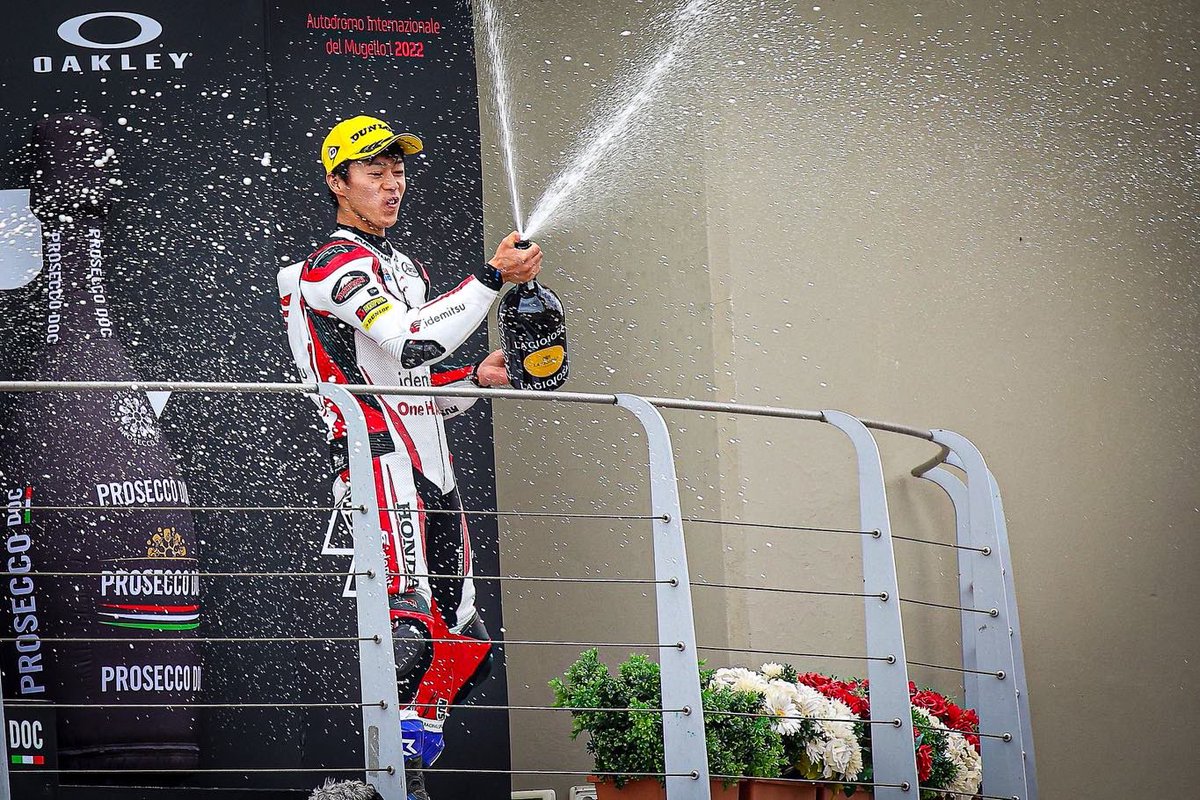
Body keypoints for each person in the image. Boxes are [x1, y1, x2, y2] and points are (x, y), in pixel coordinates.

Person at [278, 115, 542, 800]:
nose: (392, 184)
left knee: (468, 646)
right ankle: (392, 781)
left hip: (433, 465)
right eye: (374, 172)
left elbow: (418, 381)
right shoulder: (331, 265)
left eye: (398, 171)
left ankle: (404, 760)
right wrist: (491, 277)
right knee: (411, 627)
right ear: (337, 183)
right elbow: (411, 343)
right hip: (378, 460)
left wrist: (478, 377)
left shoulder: (404, 266)